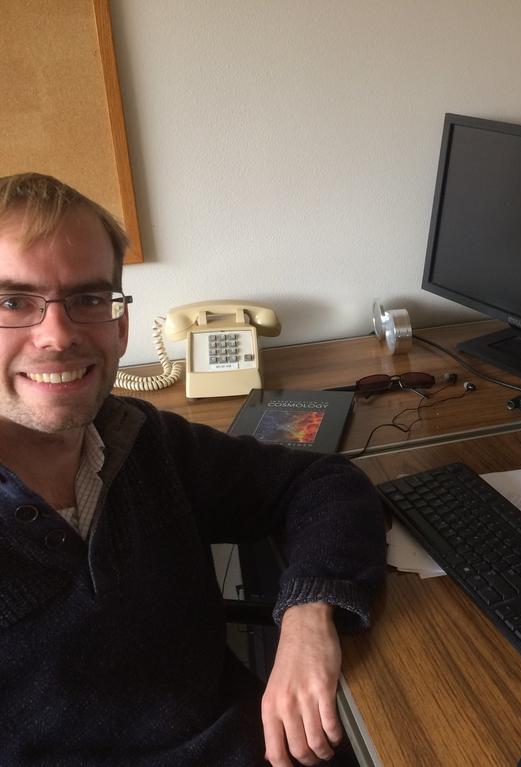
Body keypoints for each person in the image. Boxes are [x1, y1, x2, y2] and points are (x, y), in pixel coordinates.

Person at [0, 173, 387, 767]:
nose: (58, 334)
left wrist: (309, 613)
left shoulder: (140, 439)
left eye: (88, 299)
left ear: (122, 324)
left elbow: (319, 483)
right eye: (11, 302)